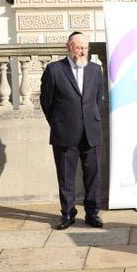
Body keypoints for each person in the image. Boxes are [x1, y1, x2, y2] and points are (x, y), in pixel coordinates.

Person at [40, 31, 104, 230]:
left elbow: (96, 100)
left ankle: (92, 213)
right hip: (65, 133)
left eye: (85, 48)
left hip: (91, 132)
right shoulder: (54, 70)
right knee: (66, 177)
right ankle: (68, 214)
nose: (83, 51)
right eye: (78, 47)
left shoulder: (95, 70)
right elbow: (46, 102)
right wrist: (58, 123)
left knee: (93, 175)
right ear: (68, 47)